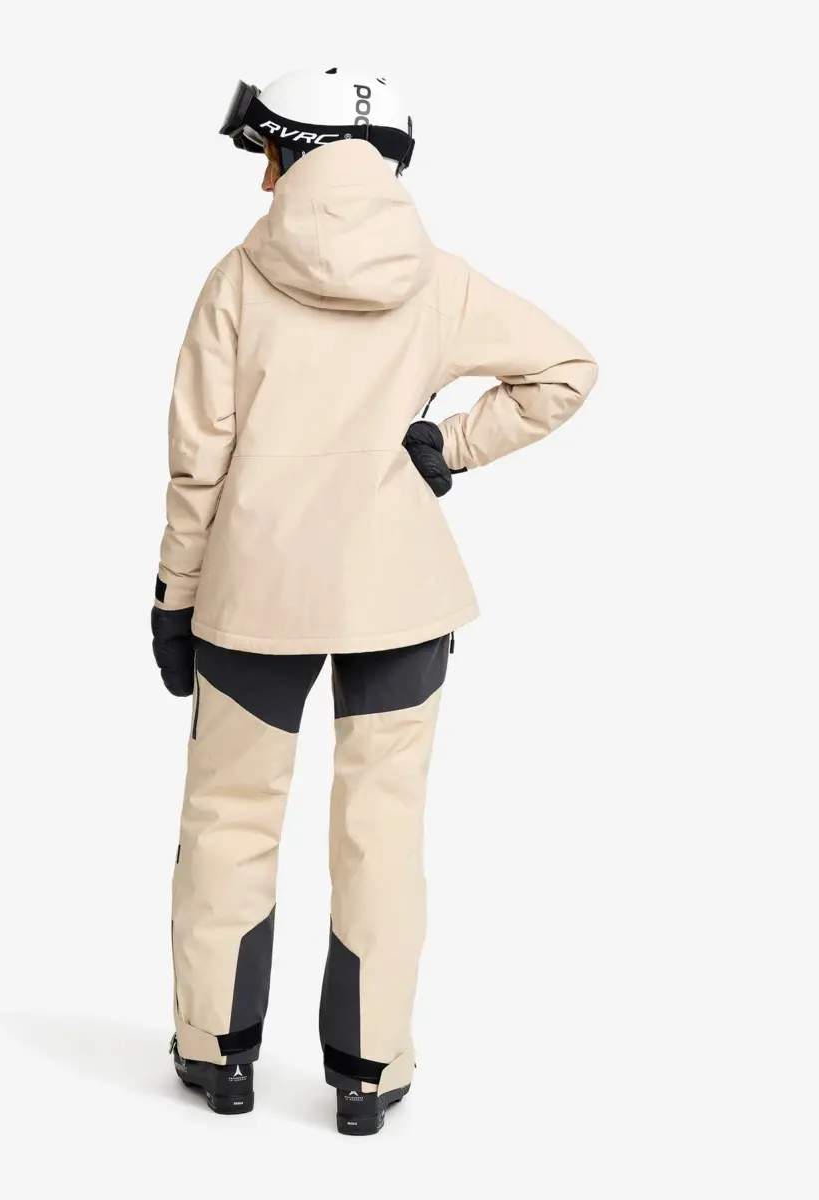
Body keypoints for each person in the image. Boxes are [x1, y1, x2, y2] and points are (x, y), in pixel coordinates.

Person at [152, 67, 598, 1135]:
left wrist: (175, 597)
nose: (263, 180)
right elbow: (566, 370)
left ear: (300, 152)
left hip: (254, 593)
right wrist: (450, 445)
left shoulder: (237, 279)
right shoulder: (441, 281)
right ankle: (368, 1075)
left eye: (269, 154)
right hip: (401, 594)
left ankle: (217, 1056)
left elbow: (197, 459)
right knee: (382, 832)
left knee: (229, 819)